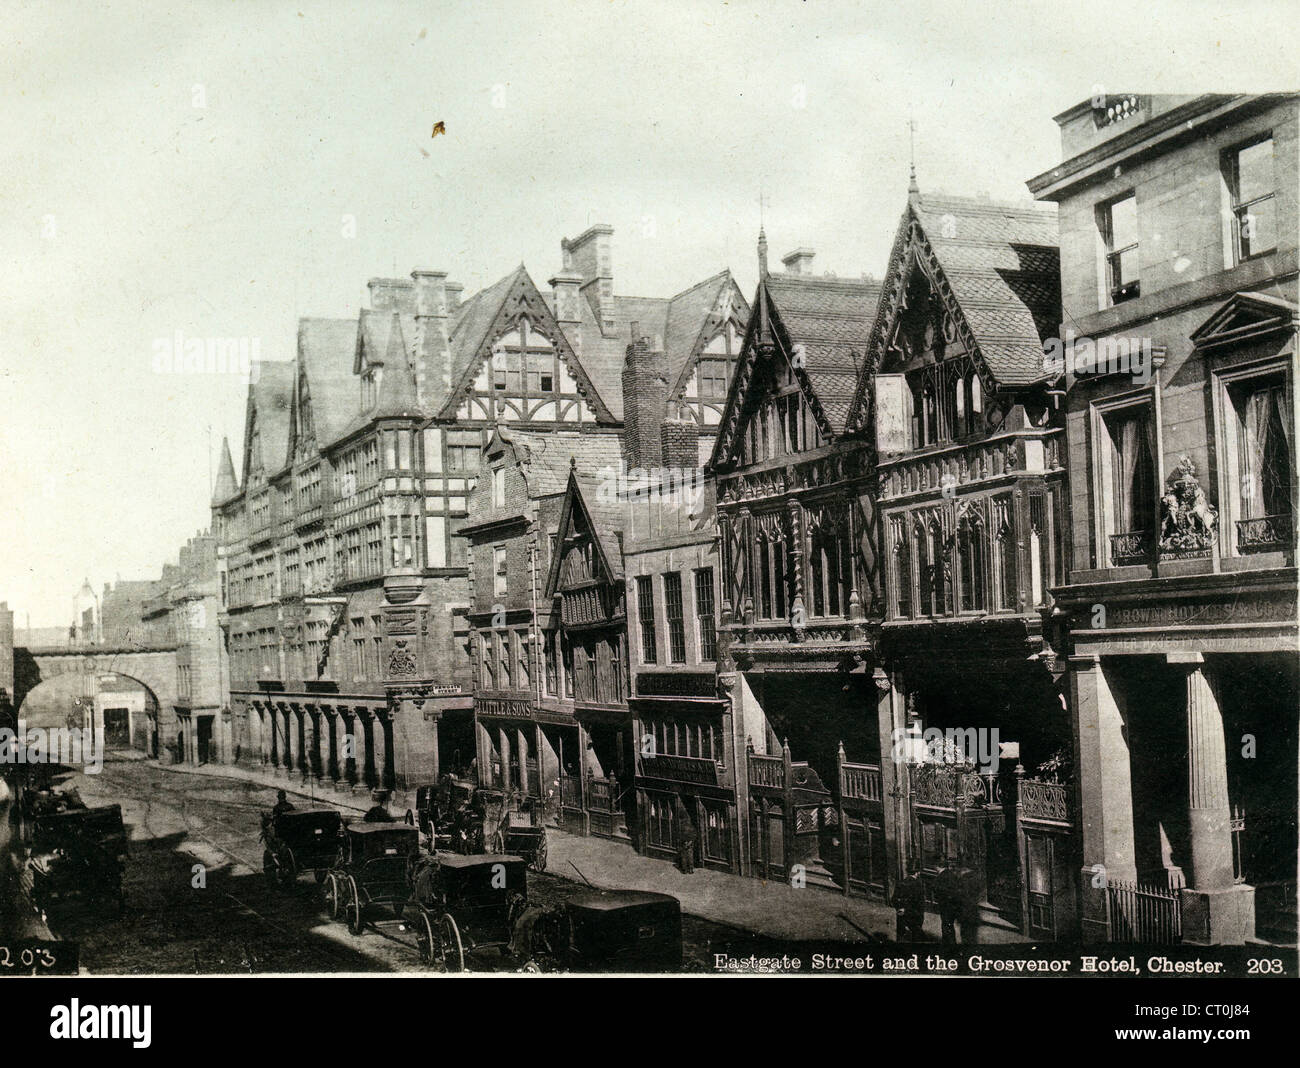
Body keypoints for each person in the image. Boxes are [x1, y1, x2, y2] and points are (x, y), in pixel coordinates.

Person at [891, 871, 926, 941]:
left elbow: (894, 899)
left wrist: (900, 908)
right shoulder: (919, 885)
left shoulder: (901, 883)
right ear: (917, 873)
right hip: (915, 914)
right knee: (916, 935)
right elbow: (920, 903)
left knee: (901, 935)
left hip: (902, 913)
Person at [935, 863, 961, 945]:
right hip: (953, 905)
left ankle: (948, 945)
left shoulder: (941, 876)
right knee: (949, 925)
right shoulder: (952, 874)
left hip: (946, 905)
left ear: (938, 866)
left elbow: (938, 890)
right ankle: (950, 943)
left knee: (946, 925)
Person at [674, 795, 697, 874]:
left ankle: (685, 869)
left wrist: (684, 842)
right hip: (689, 843)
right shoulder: (691, 827)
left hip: (684, 843)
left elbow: (680, 836)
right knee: (690, 856)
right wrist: (690, 842)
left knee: (684, 856)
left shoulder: (682, 827)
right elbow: (694, 835)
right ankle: (690, 869)